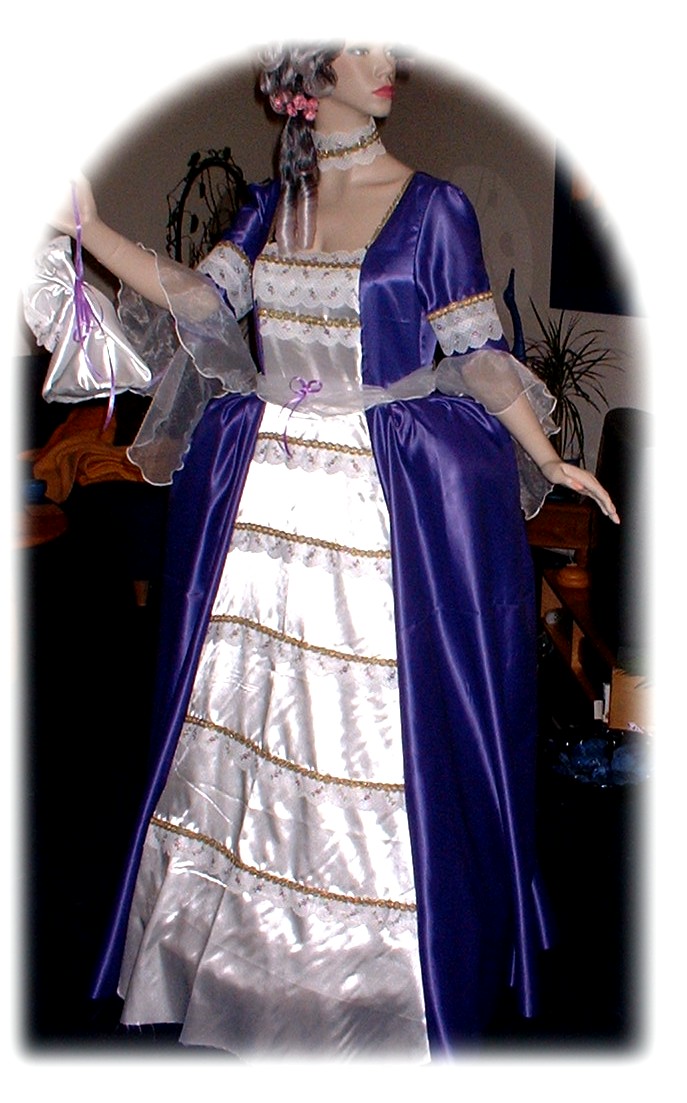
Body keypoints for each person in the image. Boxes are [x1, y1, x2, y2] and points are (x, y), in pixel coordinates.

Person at [52, 43, 618, 1060]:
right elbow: (199, 303)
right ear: (304, 80)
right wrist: (88, 230)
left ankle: (371, 969)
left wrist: (549, 457)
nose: (383, 57)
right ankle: (243, 953)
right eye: (355, 42)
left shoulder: (433, 208)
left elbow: (478, 355)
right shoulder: (270, 207)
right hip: (267, 504)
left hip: (374, 504)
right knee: (252, 712)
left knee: (361, 722)